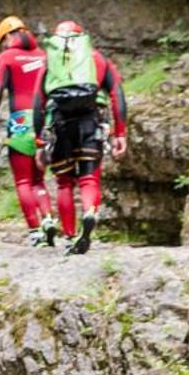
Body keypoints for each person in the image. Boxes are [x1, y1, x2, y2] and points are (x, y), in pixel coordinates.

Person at [36, 19, 129, 255]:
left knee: (64, 182)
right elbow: (117, 95)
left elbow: (38, 103)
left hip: (60, 124)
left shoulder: (50, 62)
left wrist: (39, 140)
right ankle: (89, 212)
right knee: (89, 179)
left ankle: (68, 236)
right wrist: (120, 133)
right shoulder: (97, 59)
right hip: (91, 120)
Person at [0, 14, 58, 248]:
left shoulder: (7, 58)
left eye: (3, 40)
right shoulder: (43, 57)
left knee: (23, 181)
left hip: (21, 123)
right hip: (43, 123)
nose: (3, 45)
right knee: (39, 181)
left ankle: (35, 232)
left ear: (8, 36)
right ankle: (48, 219)